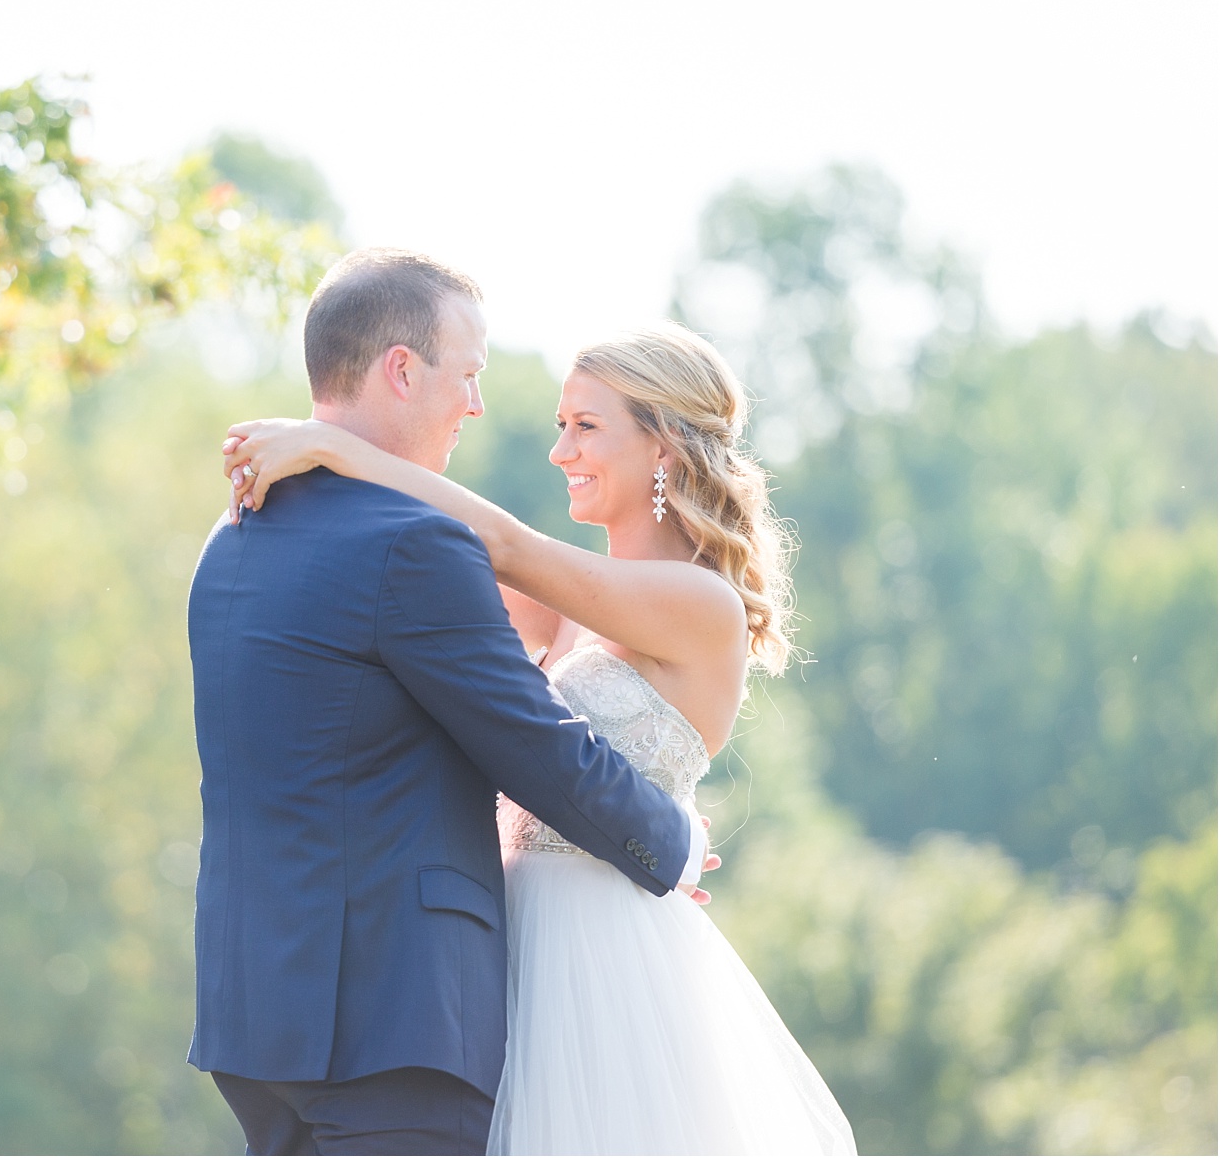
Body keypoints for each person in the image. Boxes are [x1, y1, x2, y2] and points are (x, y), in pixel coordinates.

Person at [222, 320, 858, 1154]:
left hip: (602, 962)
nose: (561, 452)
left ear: (664, 447)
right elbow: (424, 568)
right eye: (562, 425)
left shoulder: (704, 607)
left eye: (586, 427)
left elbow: (498, 544)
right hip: (499, 942)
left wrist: (335, 450)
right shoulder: (566, 608)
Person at [185, 248, 713, 1155]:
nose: (475, 404)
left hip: (254, 1012)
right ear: (402, 370)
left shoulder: (232, 537)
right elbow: (535, 744)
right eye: (466, 376)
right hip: (394, 1024)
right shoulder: (414, 547)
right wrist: (673, 844)